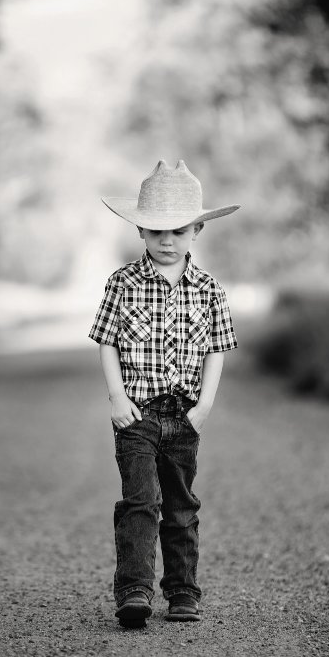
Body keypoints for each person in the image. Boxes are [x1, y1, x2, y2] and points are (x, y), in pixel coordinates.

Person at [89, 159, 240, 628]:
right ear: (140, 232)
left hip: (183, 415)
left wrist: (205, 406)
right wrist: (117, 398)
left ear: (197, 229)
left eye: (177, 231)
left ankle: (182, 593)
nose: (167, 241)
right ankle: (134, 592)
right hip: (136, 414)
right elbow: (108, 342)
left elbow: (217, 347)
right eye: (156, 232)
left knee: (180, 507)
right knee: (139, 502)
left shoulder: (209, 290)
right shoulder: (122, 283)